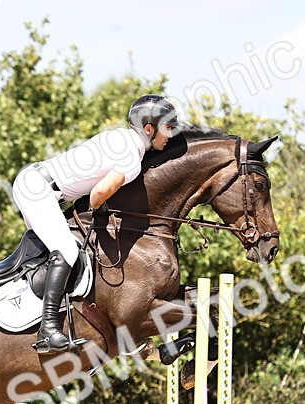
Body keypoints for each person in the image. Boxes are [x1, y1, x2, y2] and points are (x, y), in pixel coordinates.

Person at [12, 94, 179, 353]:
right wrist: (100, 212)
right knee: (67, 250)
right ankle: (47, 331)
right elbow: (98, 194)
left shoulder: (121, 138)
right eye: (168, 128)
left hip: (38, 185)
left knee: (60, 254)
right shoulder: (131, 159)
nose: (170, 135)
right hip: (39, 190)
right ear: (149, 128)